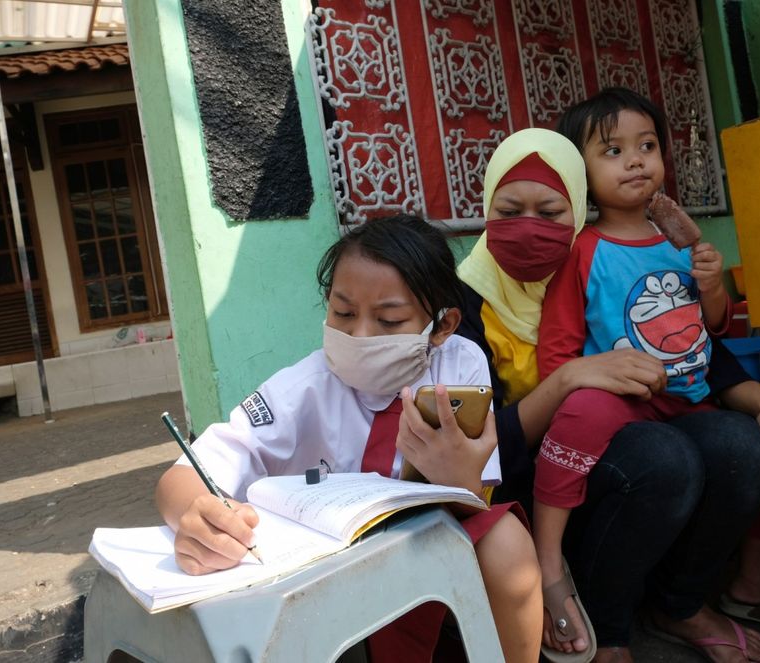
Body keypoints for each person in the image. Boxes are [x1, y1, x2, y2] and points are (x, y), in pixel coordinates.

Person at [457, 126, 760, 662]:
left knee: (739, 445)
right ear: (485, 207)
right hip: (526, 482)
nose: (528, 229)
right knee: (662, 458)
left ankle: (680, 604)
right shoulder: (464, 303)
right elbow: (475, 448)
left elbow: (690, 348)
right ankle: (605, 623)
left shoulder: (601, 262)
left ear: (577, 209)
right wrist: (569, 378)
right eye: (509, 210)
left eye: (550, 212)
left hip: (611, 437)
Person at [155, 215, 542, 663]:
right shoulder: (302, 389)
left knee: (509, 543)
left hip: (434, 536)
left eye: (389, 319)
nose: (359, 335)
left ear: (441, 326)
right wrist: (195, 516)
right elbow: (184, 475)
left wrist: (461, 480)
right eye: (343, 313)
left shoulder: (458, 365)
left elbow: (476, 497)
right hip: (326, 565)